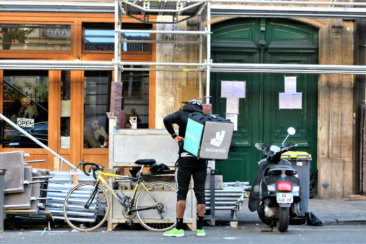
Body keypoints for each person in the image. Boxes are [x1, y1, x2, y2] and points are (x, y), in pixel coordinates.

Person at [162, 99, 207, 237]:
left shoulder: (182, 115)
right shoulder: (204, 119)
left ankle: (179, 227)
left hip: (185, 158)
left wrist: (174, 136)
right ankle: (200, 228)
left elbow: (166, 119)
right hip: (201, 159)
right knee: (200, 192)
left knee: (182, 192)